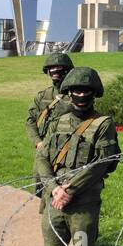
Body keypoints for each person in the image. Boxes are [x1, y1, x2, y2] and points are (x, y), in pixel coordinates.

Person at [33, 66, 120, 246]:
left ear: (94, 93)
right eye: (76, 90)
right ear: (68, 93)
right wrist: (53, 188)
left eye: (86, 90)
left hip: (83, 204)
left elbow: (103, 162)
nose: (80, 95)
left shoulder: (103, 124)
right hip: (55, 202)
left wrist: (71, 189)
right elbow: (42, 158)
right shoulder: (58, 122)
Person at [26, 52, 73, 201]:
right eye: (51, 70)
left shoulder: (76, 96)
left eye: (59, 69)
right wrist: (37, 141)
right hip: (43, 149)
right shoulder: (43, 96)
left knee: (62, 188)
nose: (54, 73)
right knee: (39, 186)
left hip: (65, 152)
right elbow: (30, 120)